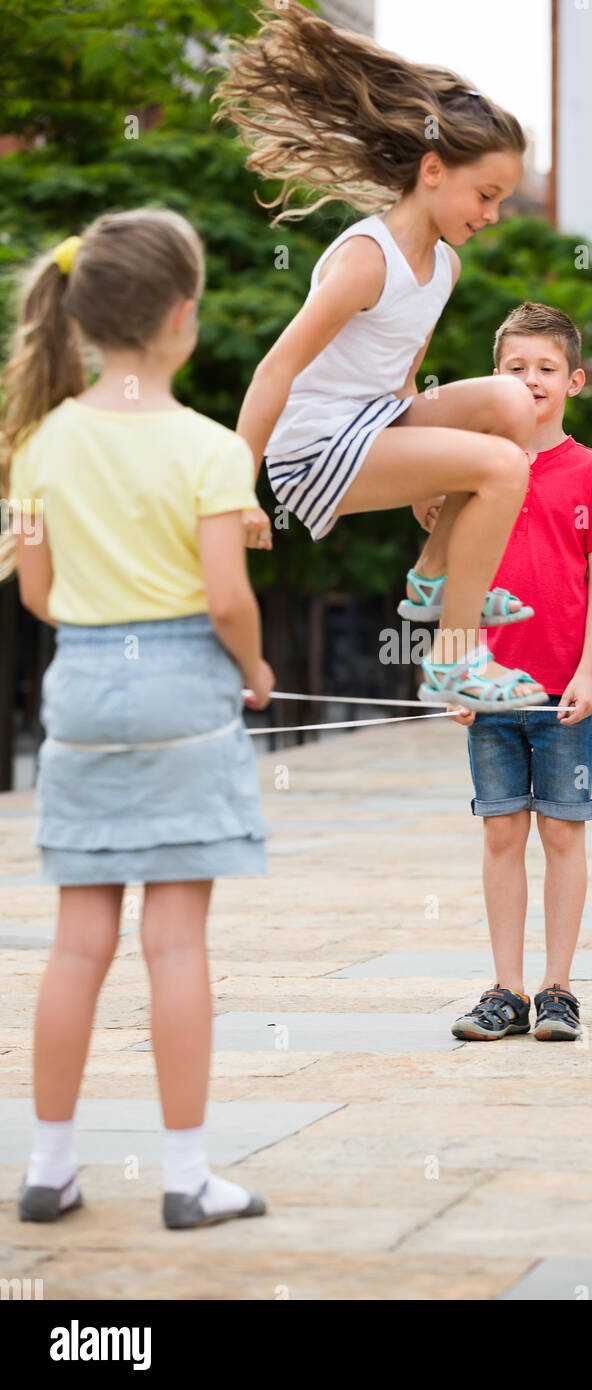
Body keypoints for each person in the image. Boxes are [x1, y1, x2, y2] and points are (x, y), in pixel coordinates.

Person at [2, 208, 274, 1229]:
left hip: (79, 681)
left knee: (77, 942)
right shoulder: (209, 449)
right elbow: (226, 596)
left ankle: (50, 1166)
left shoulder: (36, 444)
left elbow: (35, 591)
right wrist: (252, 666)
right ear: (180, 317)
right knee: (174, 941)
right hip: (180, 682)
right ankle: (185, 1175)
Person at [213, 0, 548, 712]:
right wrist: (237, 488)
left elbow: (401, 377)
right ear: (433, 168)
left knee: (513, 401)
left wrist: (431, 473)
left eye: (500, 201)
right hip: (313, 449)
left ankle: (431, 577)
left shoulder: (444, 267)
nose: (491, 215)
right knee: (503, 465)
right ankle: (454, 662)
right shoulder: (368, 258)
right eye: (485, 195)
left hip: (376, 420)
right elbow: (277, 366)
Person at [414, 304, 592, 1041]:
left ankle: (557, 989)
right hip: (490, 684)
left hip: (561, 688)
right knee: (501, 831)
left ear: (575, 380)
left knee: (563, 834)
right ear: (492, 377)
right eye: (514, 368)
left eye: (546, 369)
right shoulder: (468, 469)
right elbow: (442, 571)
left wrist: (590, 670)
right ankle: (505, 990)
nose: (530, 382)